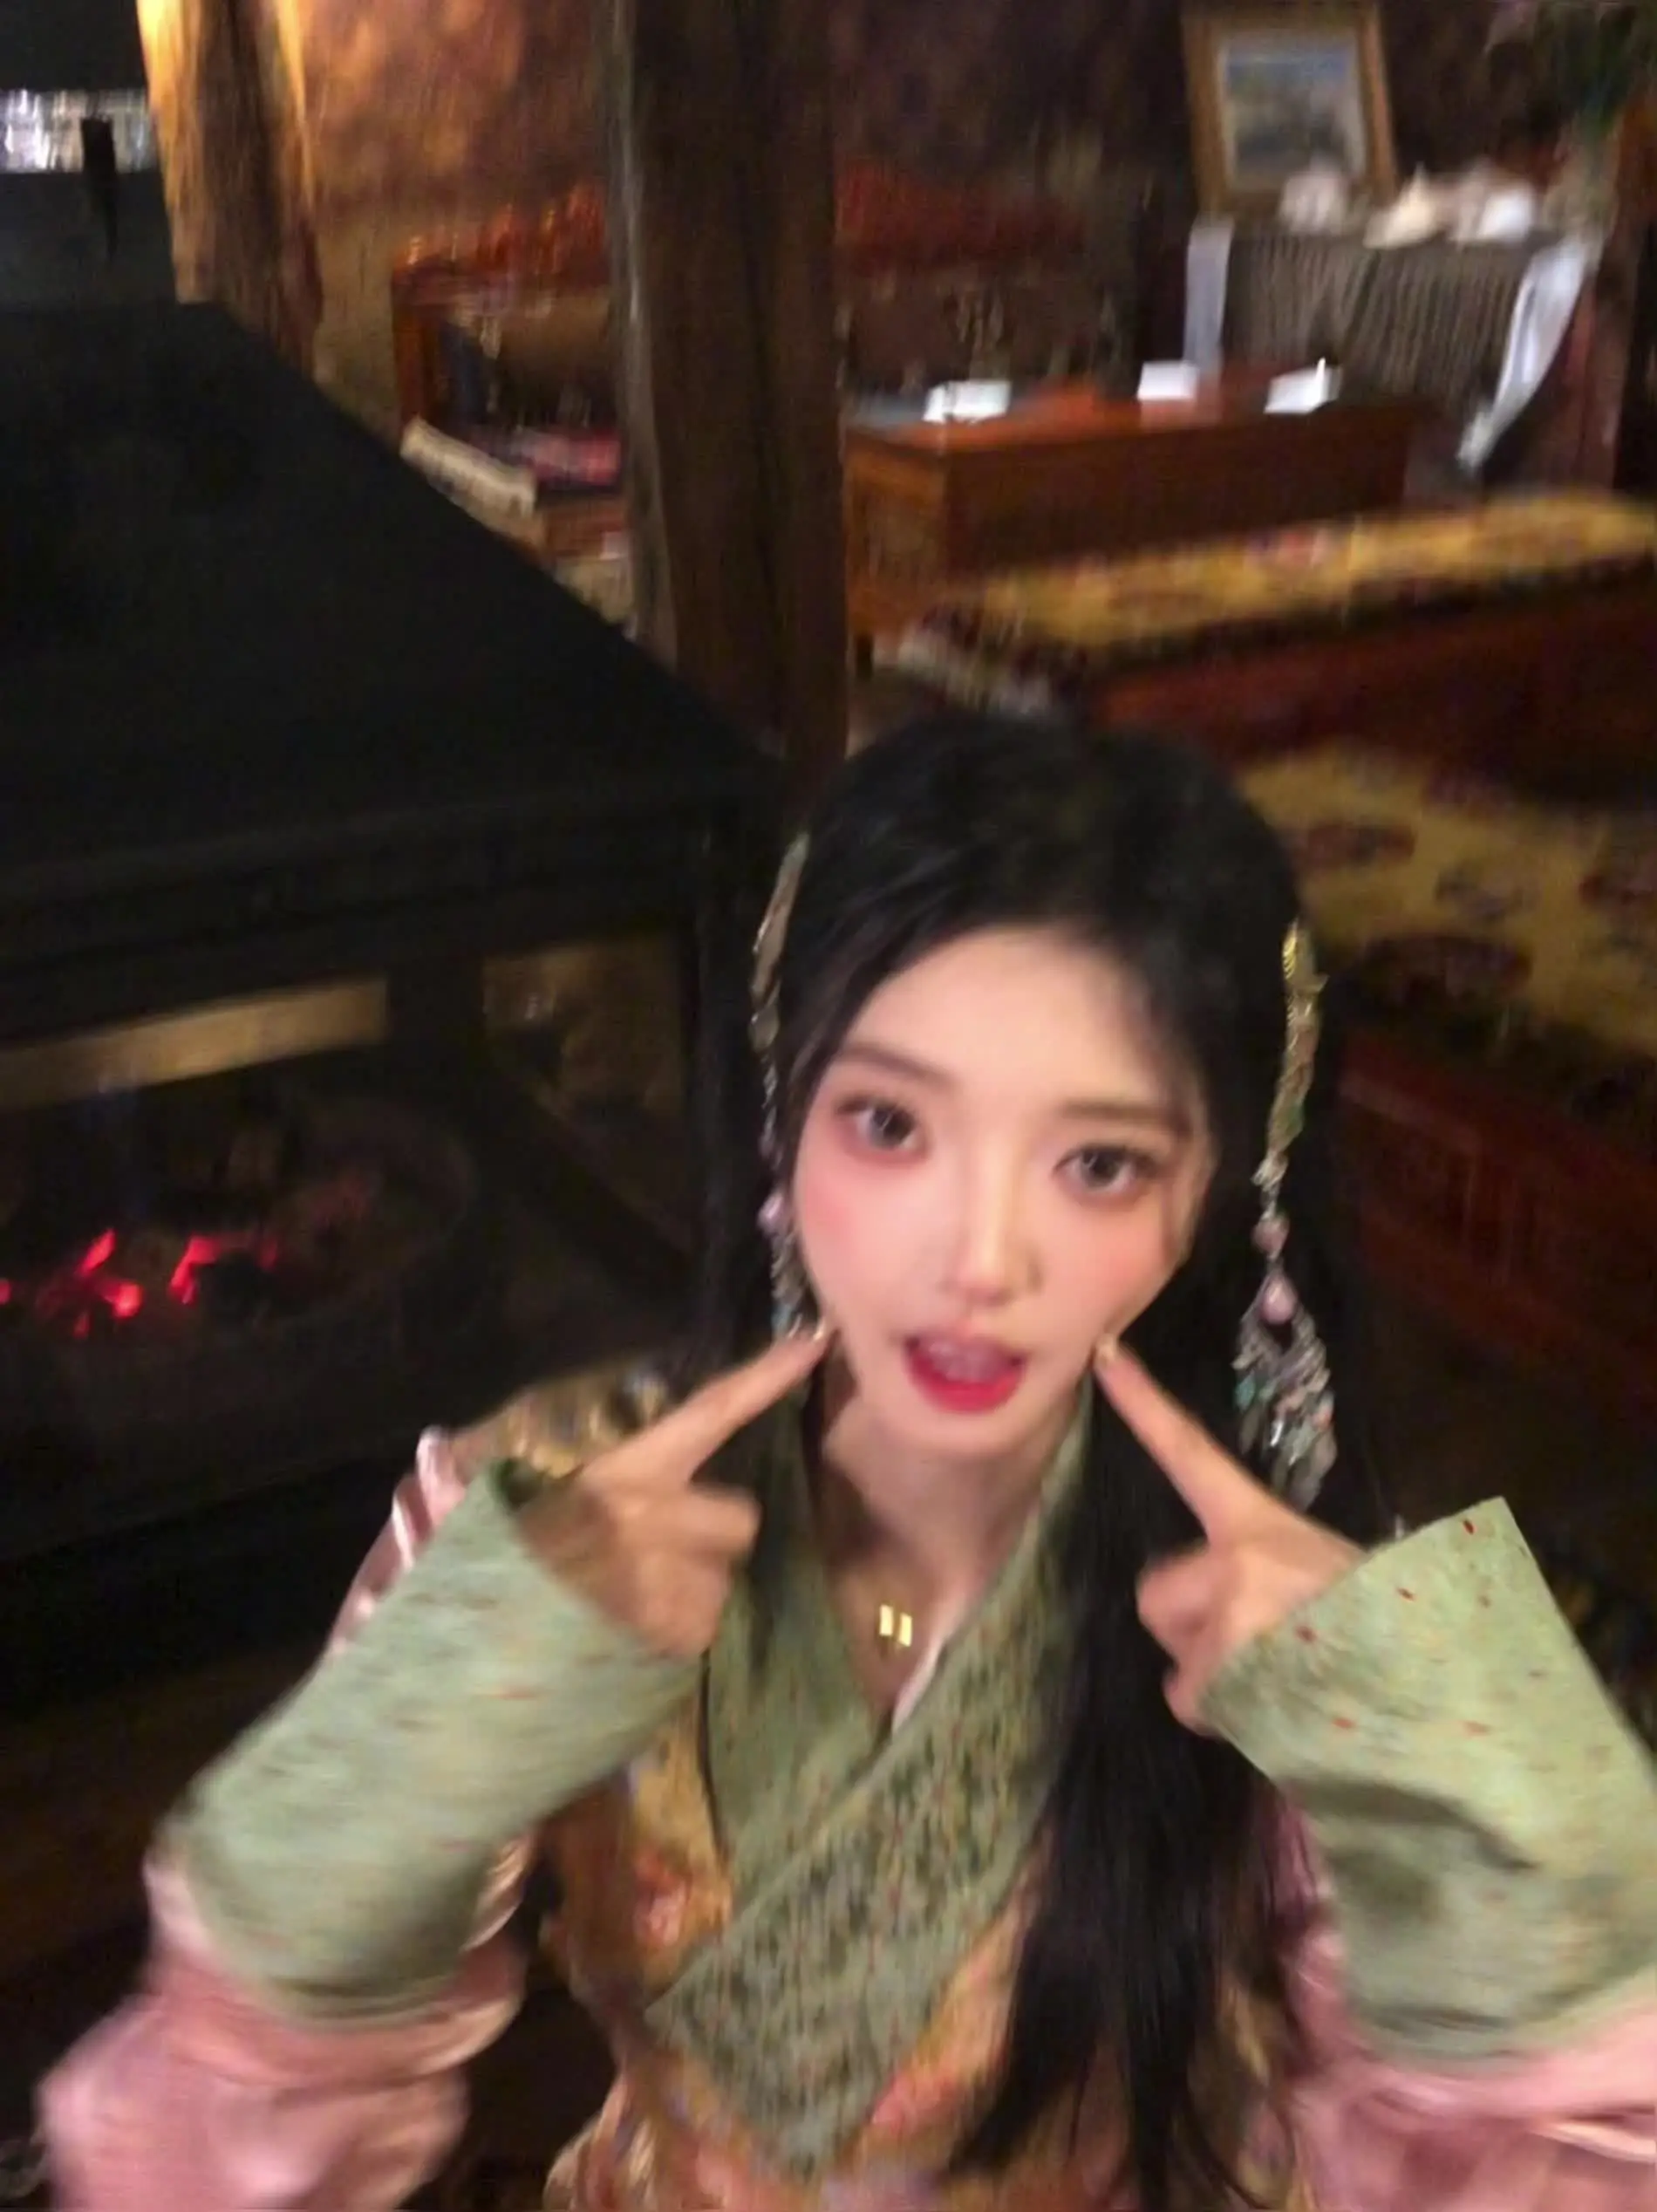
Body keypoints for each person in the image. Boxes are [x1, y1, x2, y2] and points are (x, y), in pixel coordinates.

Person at [41, 717, 1655, 2210]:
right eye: (890, 1126)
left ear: (1223, 1200)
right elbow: (189, 2154)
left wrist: (1454, 1756)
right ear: (781, 1120)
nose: (979, 1260)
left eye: (1099, 1162)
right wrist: (441, 1713)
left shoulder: (1296, 1592)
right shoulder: (540, 1513)